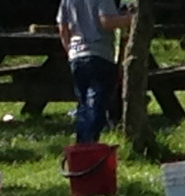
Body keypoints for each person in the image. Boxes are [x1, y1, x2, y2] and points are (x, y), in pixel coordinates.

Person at [55, 0, 134, 144]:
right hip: (99, 54)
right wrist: (130, 19)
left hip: (76, 56)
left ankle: (81, 144)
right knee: (96, 104)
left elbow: (63, 28)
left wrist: (70, 51)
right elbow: (106, 21)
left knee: (83, 104)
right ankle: (88, 144)